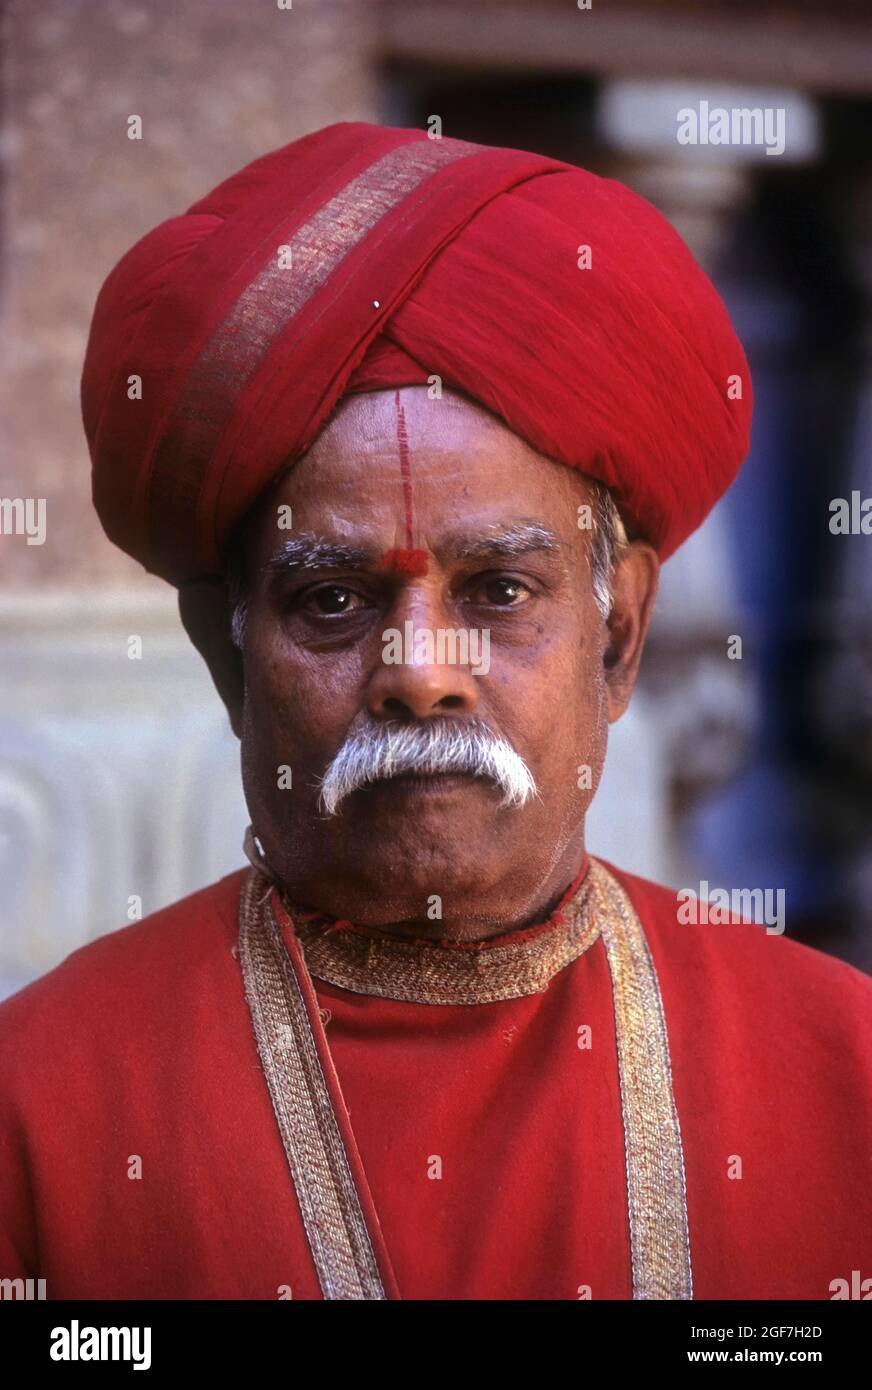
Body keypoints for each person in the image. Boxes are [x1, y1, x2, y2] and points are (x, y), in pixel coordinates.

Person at [1, 121, 869, 1301]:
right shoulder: (38, 1110)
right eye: (333, 599)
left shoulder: (843, 1072)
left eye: (498, 591)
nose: (420, 671)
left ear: (616, 639)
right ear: (226, 653)